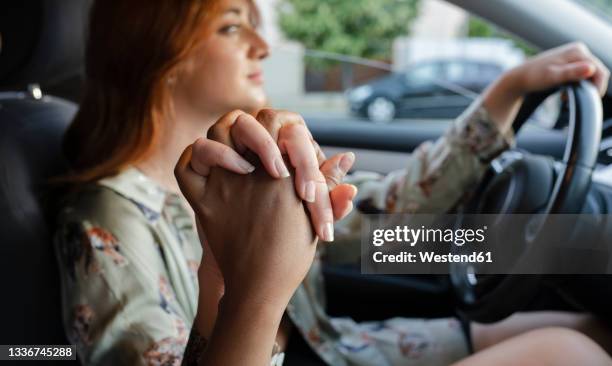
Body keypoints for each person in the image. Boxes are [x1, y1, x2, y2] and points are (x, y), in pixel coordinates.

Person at [52, 0, 612, 364]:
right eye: (231, 26)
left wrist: (505, 93)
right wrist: (248, 290)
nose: (263, 46)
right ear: (162, 57)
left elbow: (381, 226)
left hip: (336, 348)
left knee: (585, 324)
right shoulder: (109, 217)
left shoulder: (244, 171)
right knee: (570, 352)